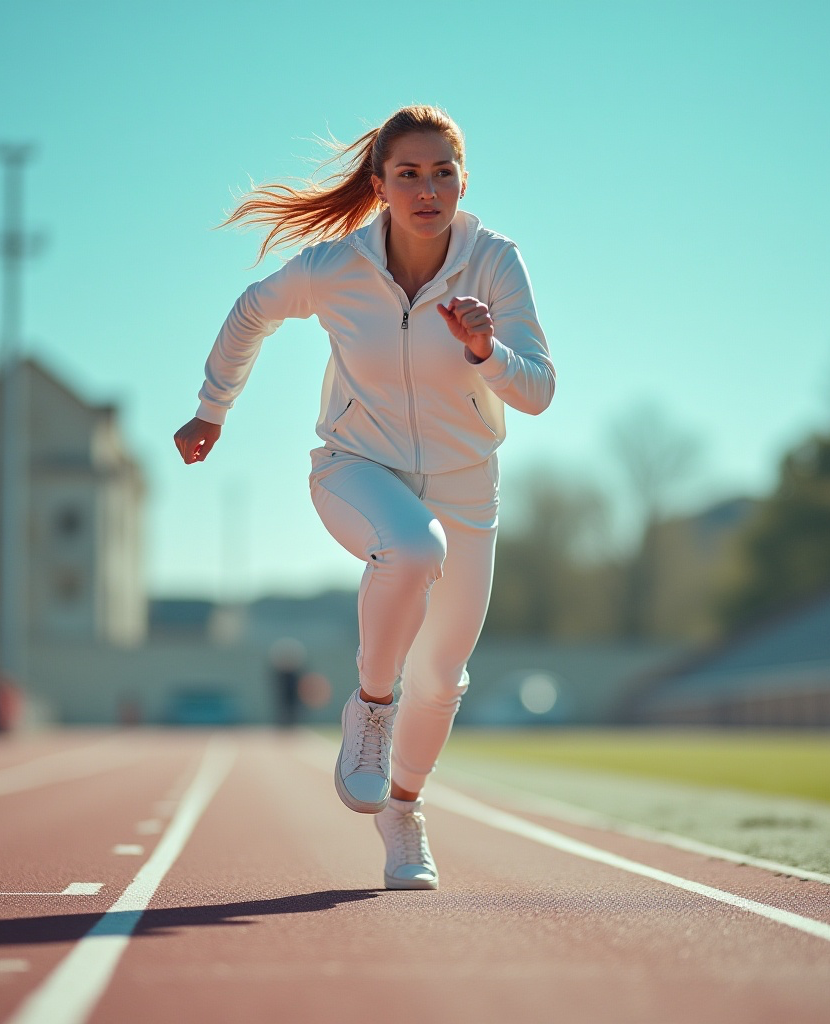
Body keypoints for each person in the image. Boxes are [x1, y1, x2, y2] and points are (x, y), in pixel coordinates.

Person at [174, 104, 555, 890]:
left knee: (442, 677)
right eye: (408, 174)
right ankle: (371, 706)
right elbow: (252, 312)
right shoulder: (336, 266)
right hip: (356, 468)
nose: (427, 189)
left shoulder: (495, 261)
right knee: (411, 549)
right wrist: (213, 408)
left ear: (463, 182)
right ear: (380, 185)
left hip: (465, 484)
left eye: (442, 173)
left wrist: (485, 349)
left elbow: (539, 391)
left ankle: (403, 813)